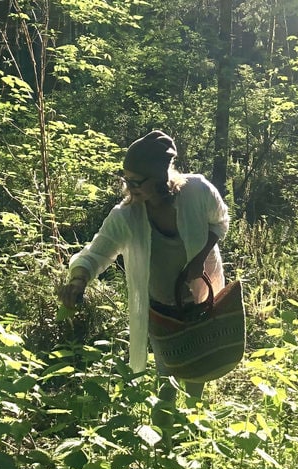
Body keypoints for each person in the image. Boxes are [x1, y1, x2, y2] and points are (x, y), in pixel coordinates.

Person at [57, 130, 230, 402]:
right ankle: (165, 441)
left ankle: (194, 430)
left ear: (161, 178)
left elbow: (219, 223)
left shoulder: (198, 191)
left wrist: (199, 259)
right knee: (167, 381)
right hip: (161, 308)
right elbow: (96, 252)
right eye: (125, 180)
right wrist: (78, 279)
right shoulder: (126, 215)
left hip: (201, 300)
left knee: (199, 369)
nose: (129, 187)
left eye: (136, 181)